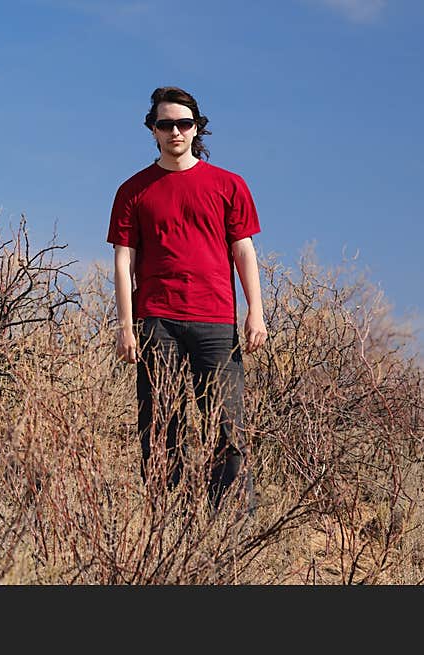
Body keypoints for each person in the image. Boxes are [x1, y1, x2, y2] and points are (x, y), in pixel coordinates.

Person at [106, 86, 267, 511]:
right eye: (165, 124)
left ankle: (230, 523)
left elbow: (243, 251)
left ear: (197, 129)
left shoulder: (229, 185)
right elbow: (124, 263)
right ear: (153, 130)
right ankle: (169, 522)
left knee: (227, 424)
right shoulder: (133, 190)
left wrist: (257, 312)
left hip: (215, 321)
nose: (175, 131)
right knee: (161, 425)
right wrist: (125, 328)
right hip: (156, 322)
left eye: (184, 123)